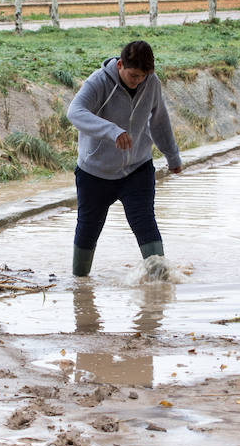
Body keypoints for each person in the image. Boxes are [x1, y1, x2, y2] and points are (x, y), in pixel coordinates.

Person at [66, 40, 182, 276]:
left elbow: (159, 120)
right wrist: (112, 131)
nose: (138, 80)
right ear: (120, 65)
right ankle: (79, 285)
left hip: (137, 170)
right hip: (95, 173)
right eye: (133, 75)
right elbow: (75, 111)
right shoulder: (99, 81)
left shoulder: (151, 83)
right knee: (88, 229)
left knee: (145, 223)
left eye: (143, 76)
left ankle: (160, 286)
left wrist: (172, 155)